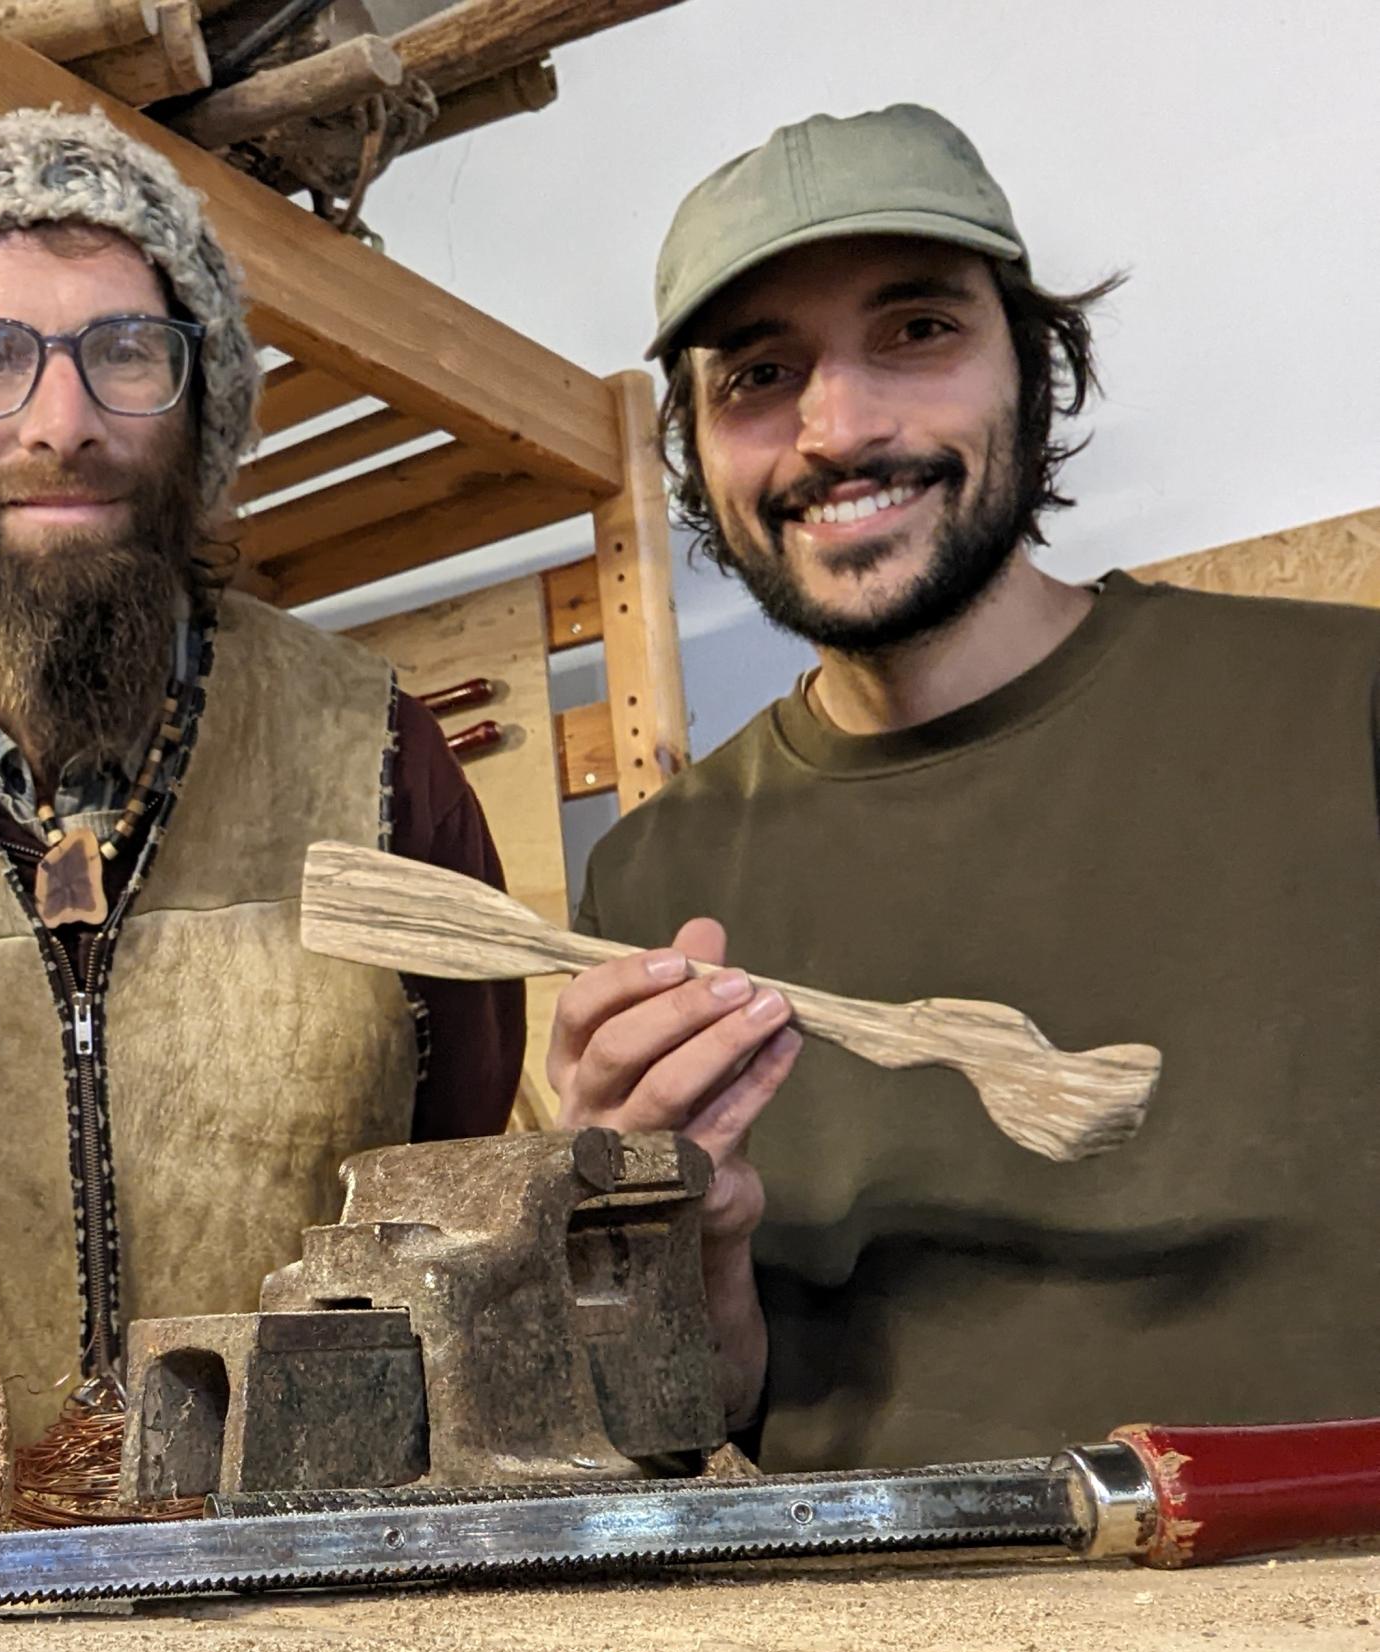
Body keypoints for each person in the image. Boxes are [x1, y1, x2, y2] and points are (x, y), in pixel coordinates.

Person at [551, 103, 1380, 1468]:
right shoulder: (652, 877)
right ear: (697, 448)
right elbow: (711, 1420)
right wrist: (684, 1236)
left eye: (918, 332)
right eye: (759, 373)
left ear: (1031, 368)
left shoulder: (1335, 709)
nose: (839, 425)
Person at [0, 109, 523, 1449]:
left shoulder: (379, 762)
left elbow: (460, 1158)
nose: (60, 422)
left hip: (329, 1583)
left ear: (203, 412)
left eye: (128, 350)